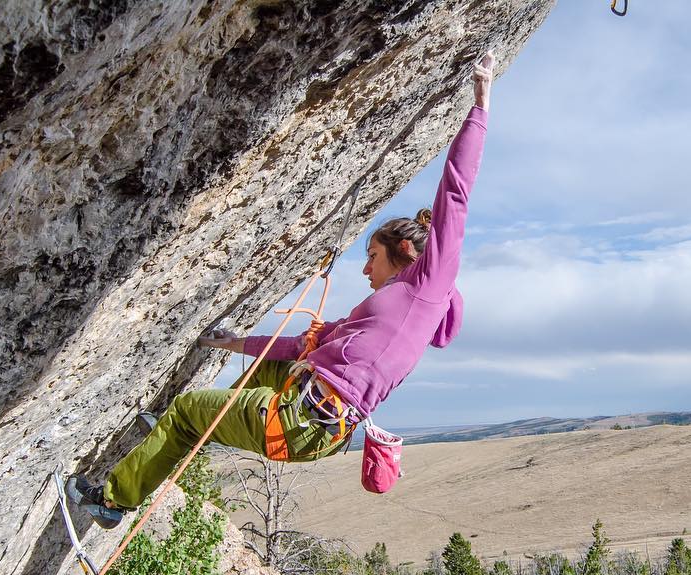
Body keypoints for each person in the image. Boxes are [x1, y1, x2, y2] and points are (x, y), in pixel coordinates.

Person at [69, 51, 495, 527]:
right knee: (271, 368)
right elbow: (294, 346)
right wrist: (230, 343)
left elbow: (455, 193)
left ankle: (112, 502)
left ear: (403, 253)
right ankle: (180, 435)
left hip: (303, 423)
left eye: (371, 256)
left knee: (189, 409)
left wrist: (480, 105)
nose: (365, 271)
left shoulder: (427, 289)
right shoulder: (378, 314)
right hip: (311, 413)